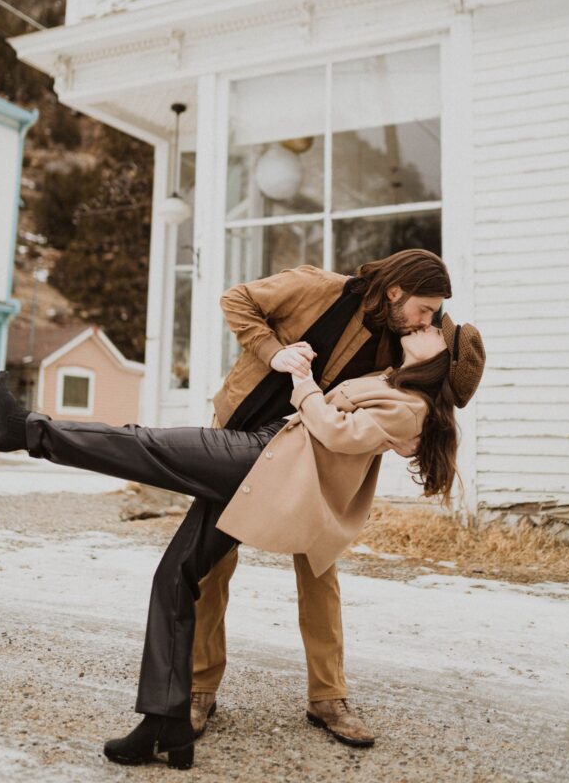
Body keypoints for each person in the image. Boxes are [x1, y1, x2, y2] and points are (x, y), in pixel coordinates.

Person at [0, 310, 485, 771]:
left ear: (443, 362)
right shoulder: (391, 381)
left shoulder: (410, 406)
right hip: (269, 463)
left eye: (430, 333)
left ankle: (25, 431)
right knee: (175, 575)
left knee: (145, 444)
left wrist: (303, 382)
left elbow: (333, 432)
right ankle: (166, 723)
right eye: (422, 323)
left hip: (267, 463)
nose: (419, 328)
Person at [192, 249, 452, 746]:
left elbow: (440, 374)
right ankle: (200, 688)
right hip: (239, 431)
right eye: (424, 309)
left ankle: (327, 698)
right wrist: (274, 352)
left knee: (318, 564)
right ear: (395, 292)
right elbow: (236, 298)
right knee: (214, 560)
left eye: (434, 315)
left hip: (312, 450)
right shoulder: (316, 286)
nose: (428, 320)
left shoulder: (404, 339)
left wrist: (418, 432)